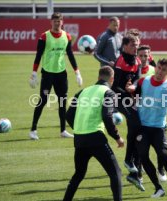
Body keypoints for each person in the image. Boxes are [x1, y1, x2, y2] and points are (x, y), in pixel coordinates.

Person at [126, 58, 167, 198]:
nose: (160, 72)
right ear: (156, 68)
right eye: (159, 68)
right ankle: (158, 188)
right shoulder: (144, 81)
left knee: (163, 155)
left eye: (164, 70)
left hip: (158, 128)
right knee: (143, 156)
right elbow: (135, 100)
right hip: (142, 128)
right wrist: (130, 91)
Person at [63, 66, 124, 201]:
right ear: (112, 79)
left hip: (79, 139)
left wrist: (79, 128)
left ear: (98, 78)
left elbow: (68, 115)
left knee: (78, 174)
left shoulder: (82, 91)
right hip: (96, 139)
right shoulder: (108, 93)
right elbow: (107, 116)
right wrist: (117, 137)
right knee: (115, 173)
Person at [28, 12, 83, 140]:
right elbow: (38, 55)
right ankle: (33, 130)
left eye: (59, 21)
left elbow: (70, 55)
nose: (57, 23)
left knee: (62, 102)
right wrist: (34, 73)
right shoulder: (44, 37)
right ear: (51, 22)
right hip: (47, 74)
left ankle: (63, 130)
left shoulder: (67, 36)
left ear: (62, 22)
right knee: (43, 100)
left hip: (61, 74)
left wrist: (77, 72)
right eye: (55, 21)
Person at [111, 32, 145, 191]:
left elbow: (138, 79)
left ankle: (135, 171)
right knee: (136, 124)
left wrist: (134, 88)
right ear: (125, 46)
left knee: (141, 130)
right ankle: (129, 162)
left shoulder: (137, 60)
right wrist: (128, 95)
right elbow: (115, 86)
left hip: (130, 99)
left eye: (137, 44)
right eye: (133, 45)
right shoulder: (121, 61)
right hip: (119, 98)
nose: (136, 47)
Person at [137, 45, 167, 182]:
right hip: (138, 112)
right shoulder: (132, 69)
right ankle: (138, 171)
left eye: (146, 55)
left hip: (156, 112)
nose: (143, 58)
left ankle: (161, 168)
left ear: (150, 56)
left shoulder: (154, 70)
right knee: (138, 144)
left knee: (160, 147)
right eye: (140, 55)